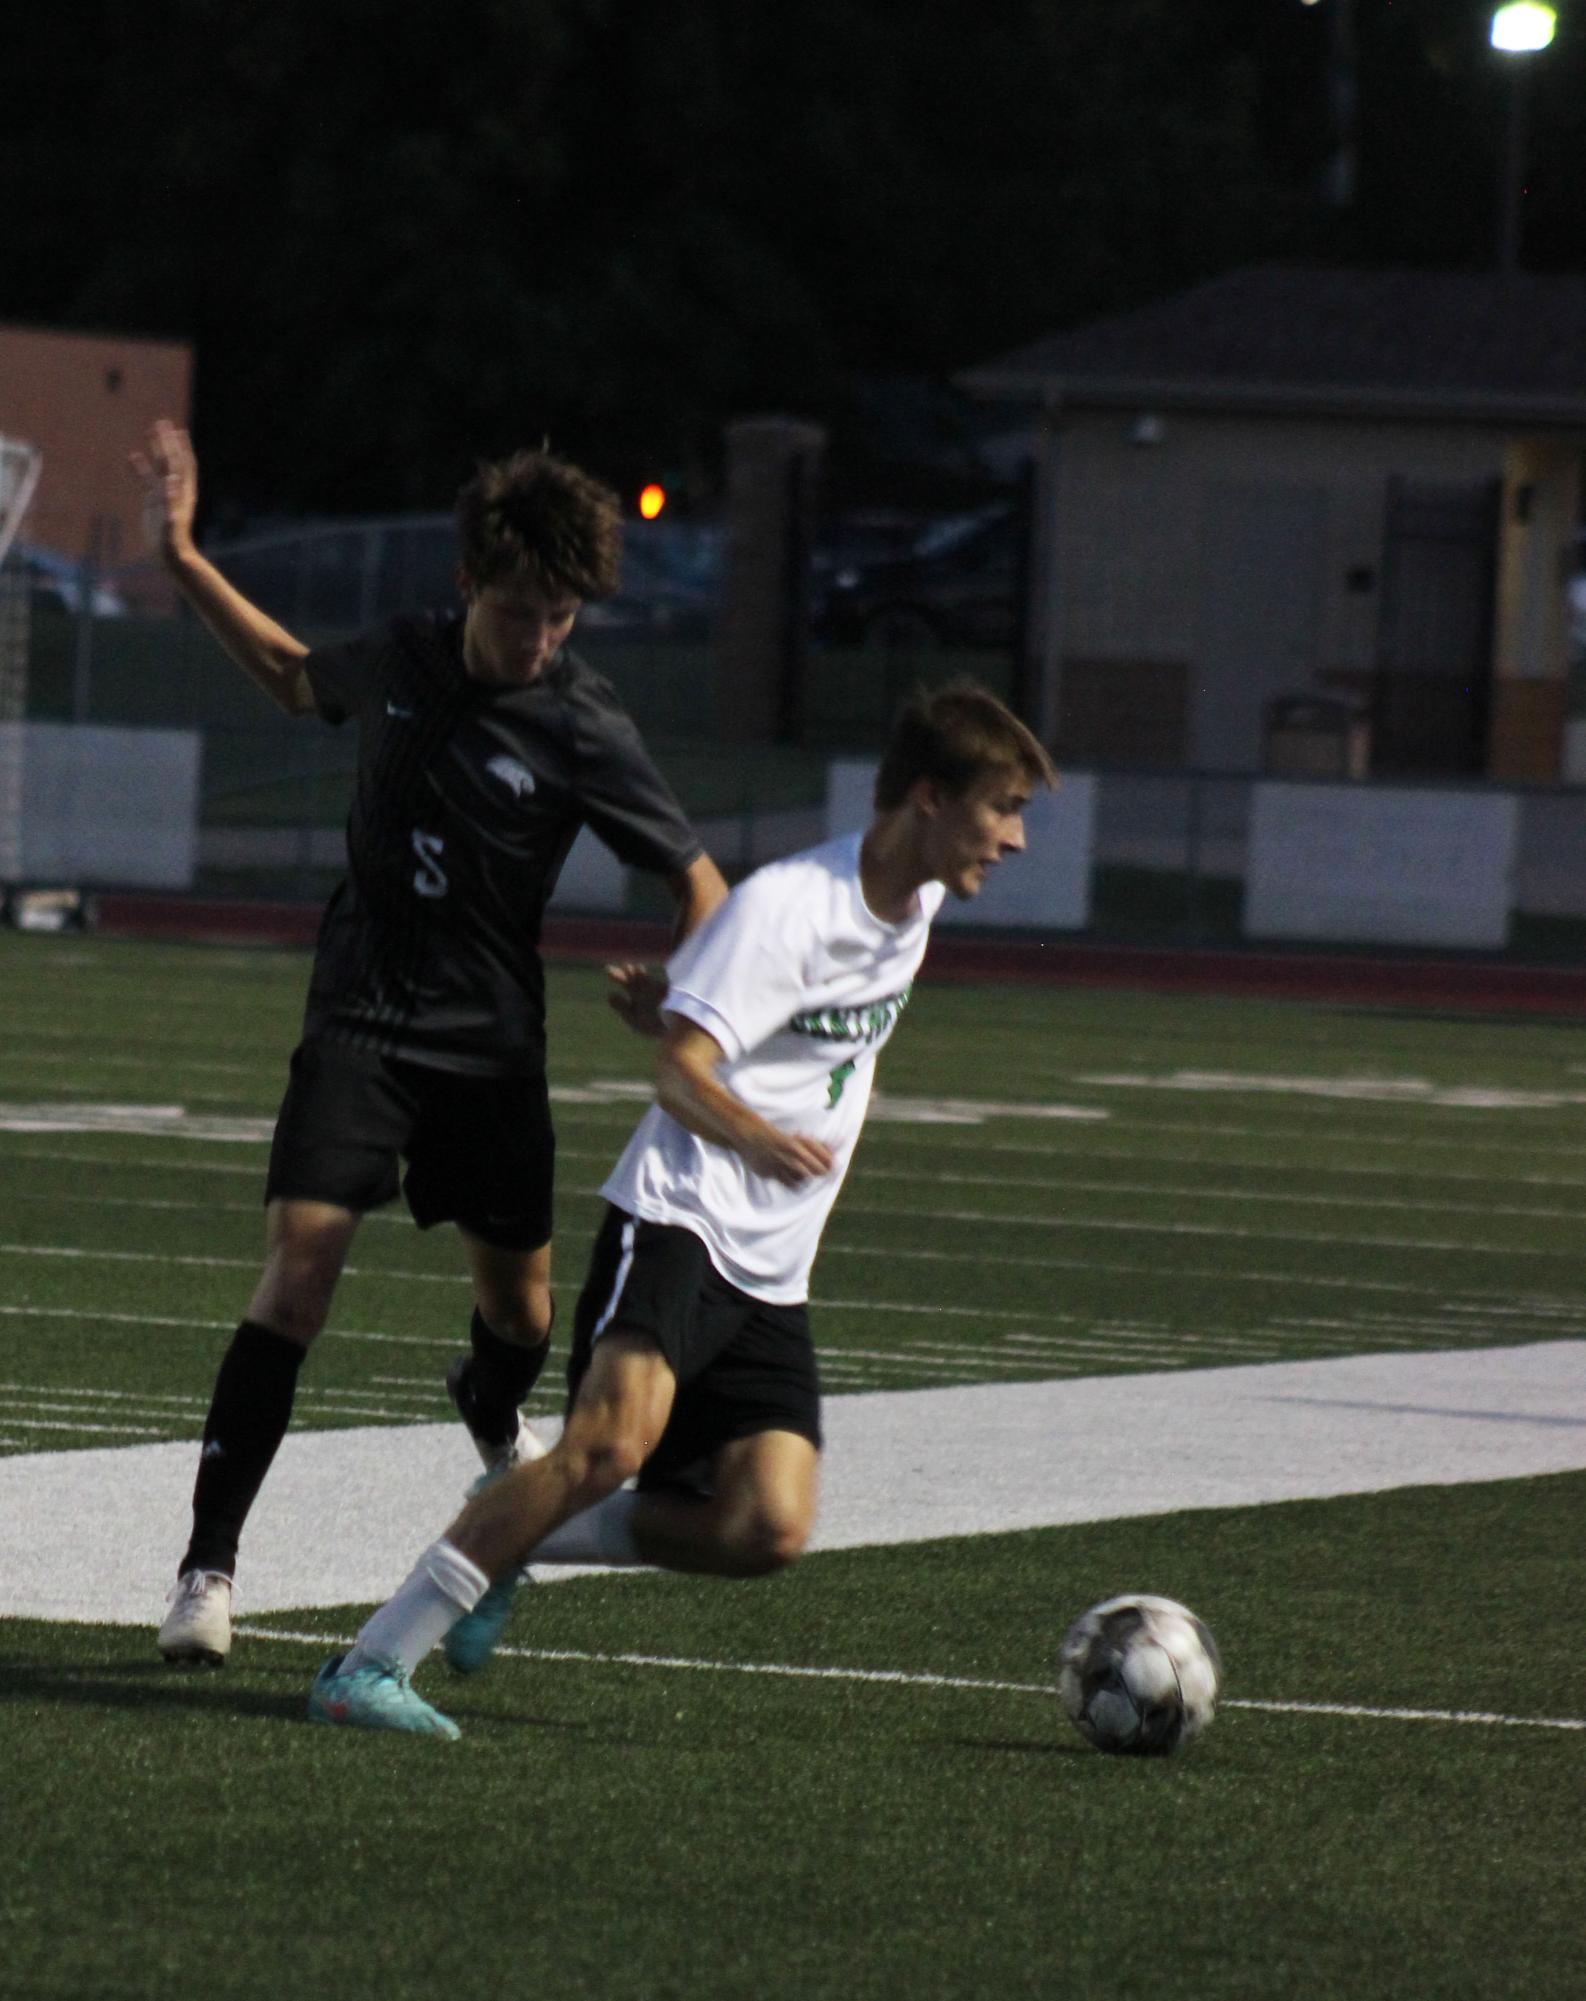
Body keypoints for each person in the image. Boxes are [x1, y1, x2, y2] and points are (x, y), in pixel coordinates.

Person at [303, 680, 1056, 1737]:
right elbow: (676, 1078)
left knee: (764, 1526)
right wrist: (747, 1122)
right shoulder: (791, 906)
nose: (1016, 839)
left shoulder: (916, 902)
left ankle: (512, 1533)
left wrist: (688, 993)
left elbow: (773, 1017)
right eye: (1002, 807)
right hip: (681, 1221)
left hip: (773, 1267)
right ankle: (367, 1667)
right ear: (928, 799)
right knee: (603, 1450)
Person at [131, 420, 727, 1668]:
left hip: (491, 1048)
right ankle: (206, 1571)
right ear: (469, 587)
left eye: (563, 616)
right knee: (298, 1276)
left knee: (519, 1313)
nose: (542, 638)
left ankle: (486, 1402)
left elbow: (703, 884)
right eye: (522, 612)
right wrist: (181, 556)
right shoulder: (400, 657)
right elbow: (298, 676)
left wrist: (687, 984)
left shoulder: (582, 722)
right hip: (359, 1021)